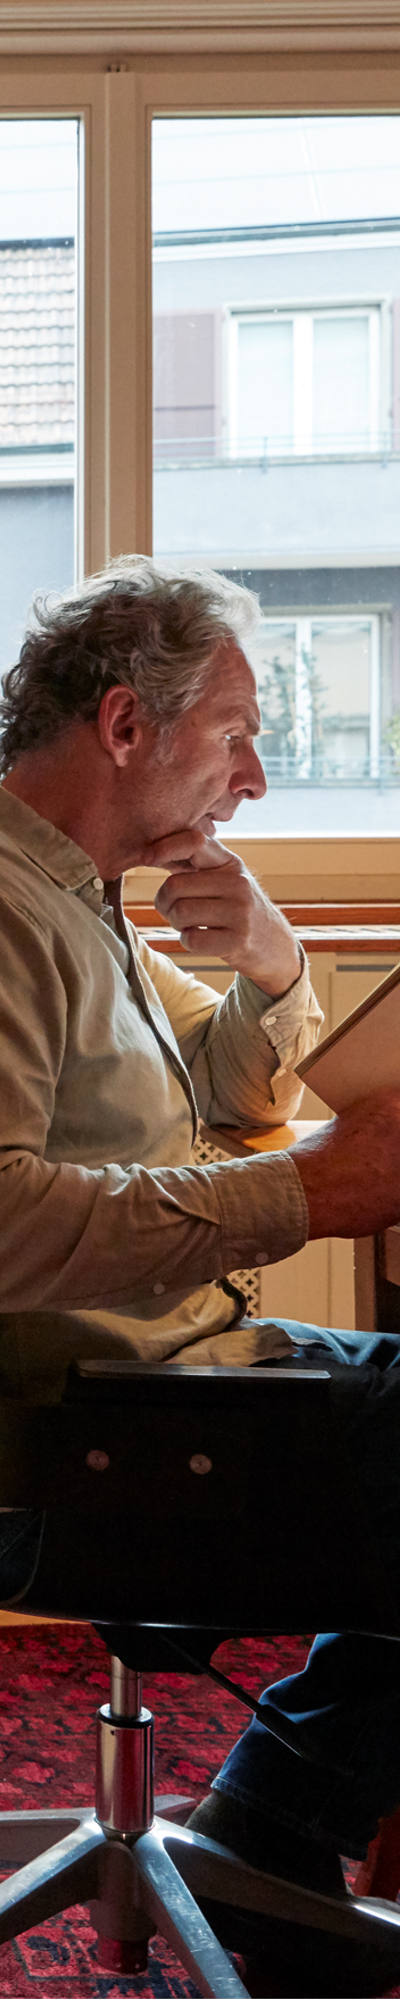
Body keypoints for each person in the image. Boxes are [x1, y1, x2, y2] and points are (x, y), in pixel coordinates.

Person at [0, 555, 400, 1996]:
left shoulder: (87, 895)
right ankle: (281, 1820)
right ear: (126, 728)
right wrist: (304, 1193)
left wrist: (278, 961)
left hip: (173, 1379)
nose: (258, 778)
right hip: (78, 1440)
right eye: (235, 732)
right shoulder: (5, 909)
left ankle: (275, 1821)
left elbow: (225, 1085)